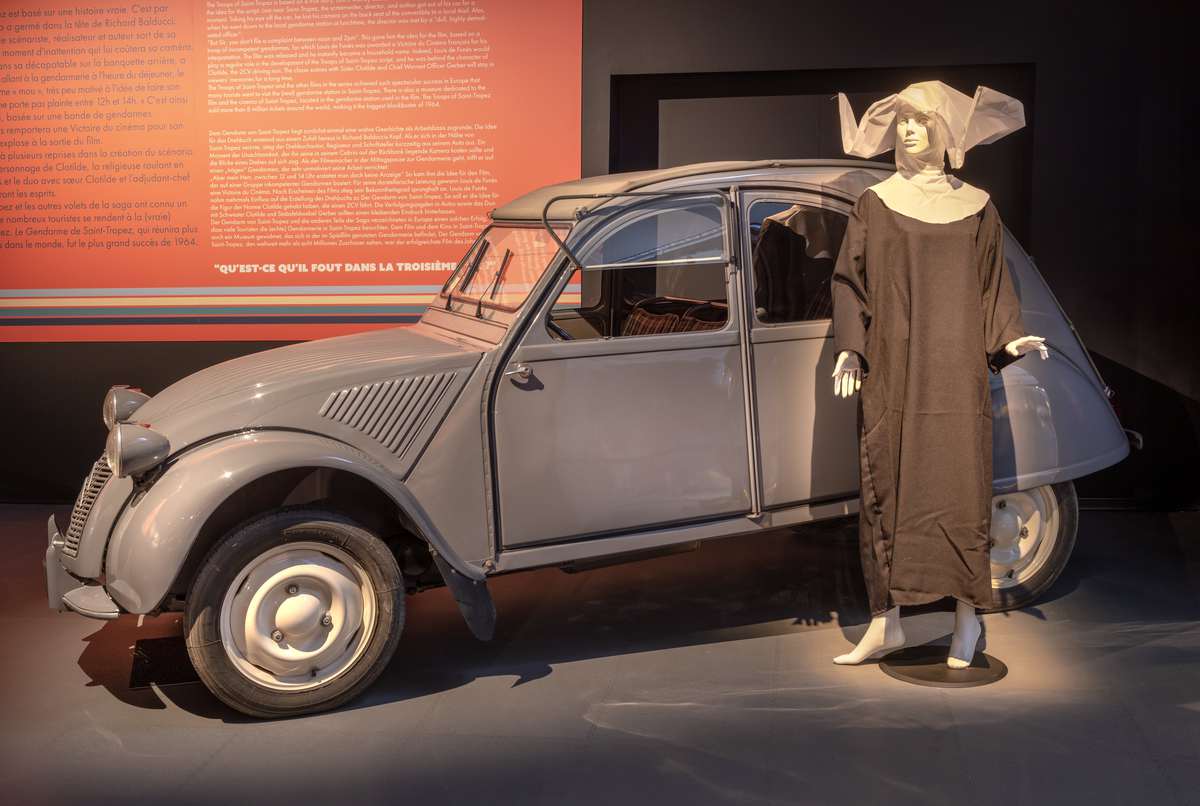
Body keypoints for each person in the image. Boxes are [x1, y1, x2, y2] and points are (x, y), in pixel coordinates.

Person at [828, 81, 1049, 668]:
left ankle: (967, 622)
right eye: (902, 120)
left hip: (956, 378)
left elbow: (992, 285)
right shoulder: (875, 203)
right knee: (888, 489)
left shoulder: (978, 206)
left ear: (945, 133)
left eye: (921, 121)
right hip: (893, 374)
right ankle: (885, 622)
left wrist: (1008, 336)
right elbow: (850, 283)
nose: (908, 131)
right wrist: (851, 348)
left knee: (959, 490)